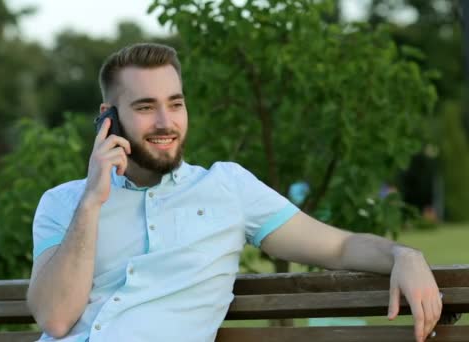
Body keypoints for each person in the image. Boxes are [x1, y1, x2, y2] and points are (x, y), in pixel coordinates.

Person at [26, 43, 441, 342]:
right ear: (108, 119)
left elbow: (338, 247)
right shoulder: (64, 202)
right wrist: (92, 203)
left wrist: (403, 255)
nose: (166, 122)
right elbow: (55, 319)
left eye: (176, 103)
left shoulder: (228, 188)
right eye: (145, 107)